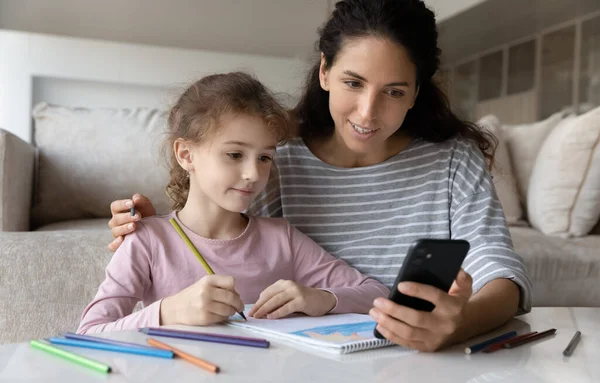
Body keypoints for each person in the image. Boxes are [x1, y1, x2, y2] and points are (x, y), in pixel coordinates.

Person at [107, 0, 532, 351]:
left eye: (394, 92)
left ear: (417, 92)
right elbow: (220, 226)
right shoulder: (277, 160)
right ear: (325, 71)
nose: (368, 113)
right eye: (353, 82)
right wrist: (159, 225)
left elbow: (500, 272)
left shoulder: (453, 159)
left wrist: (460, 323)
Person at [77, 72, 389, 334]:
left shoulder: (282, 238)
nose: (254, 173)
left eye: (264, 157)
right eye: (235, 154)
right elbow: (89, 332)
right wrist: (168, 312)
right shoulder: (147, 240)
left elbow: (376, 293)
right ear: (186, 155)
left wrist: (321, 299)